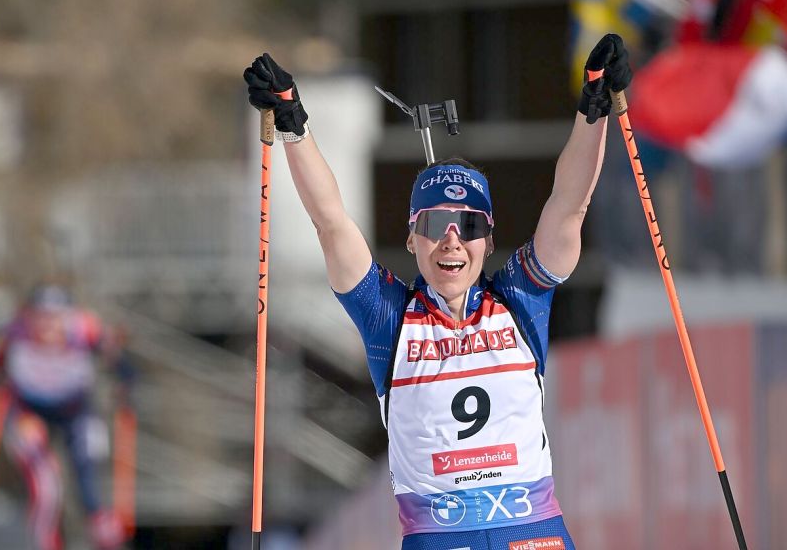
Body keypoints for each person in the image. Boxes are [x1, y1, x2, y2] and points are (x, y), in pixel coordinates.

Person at [244, 34, 631, 550]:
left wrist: (594, 109)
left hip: (532, 534)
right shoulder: (390, 318)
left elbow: (569, 205)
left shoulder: (519, 299)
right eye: (434, 224)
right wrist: (293, 124)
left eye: (468, 225)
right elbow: (331, 222)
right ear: (412, 238)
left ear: (487, 239)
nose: (452, 240)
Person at [0, 284, 134, 550]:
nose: (48, 326)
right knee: (46, 488)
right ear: (29, 315)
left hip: (75, 411)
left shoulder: (85, 328)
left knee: (88, 475)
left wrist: (124, 383)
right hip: (28, 411)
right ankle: (44, 544)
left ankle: (106, 537)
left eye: (56, 316)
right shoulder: (12, 330)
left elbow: (119, 361)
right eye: (41, 316)